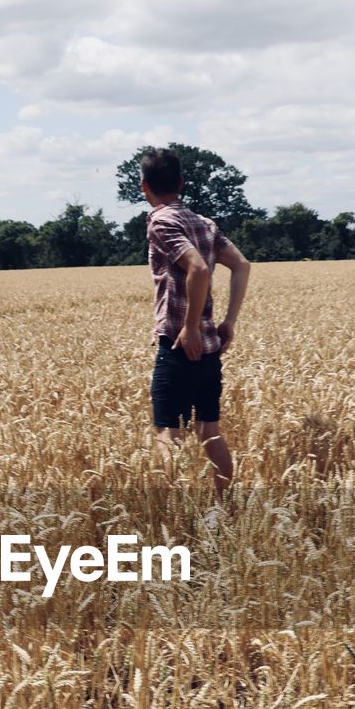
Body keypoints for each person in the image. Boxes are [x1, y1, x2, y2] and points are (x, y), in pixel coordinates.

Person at [142, 146, 251, 510]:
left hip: (178, 345)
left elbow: (199, 269)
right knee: (210, 433)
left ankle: (172, 517)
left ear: (144, 186)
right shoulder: (205, 223)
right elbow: (241, 265)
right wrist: (229, 322)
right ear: (182, 183)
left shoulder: (161, 222)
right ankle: (225, 510)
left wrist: (187, 328)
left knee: (166, 434)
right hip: (209, 349)